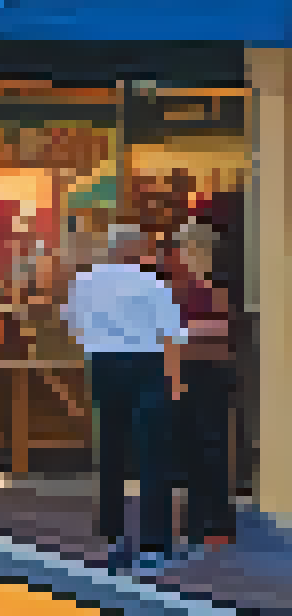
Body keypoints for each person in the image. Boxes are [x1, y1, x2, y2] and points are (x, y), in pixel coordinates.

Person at [63, 223, 187, 576]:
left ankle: (112, 533)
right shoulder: (154, 284)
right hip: (147, 366)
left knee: (111, 450)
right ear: (139, 251)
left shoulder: (84, 283)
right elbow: (172, 338)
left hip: (103, 364)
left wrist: (98, 345)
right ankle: (154, 541)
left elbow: (73, 328)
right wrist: (174, 383)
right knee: (152, 453)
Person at [165, 224, 237, 552]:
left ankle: (215, 524)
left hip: (206, 373)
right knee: (194, 449)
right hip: (193, 372)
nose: (185, 255)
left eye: (191, 248)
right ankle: (200, 524)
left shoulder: (212, 286)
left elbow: (221, 327)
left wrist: (181, 331)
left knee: (210, 448)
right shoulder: (182, 287)